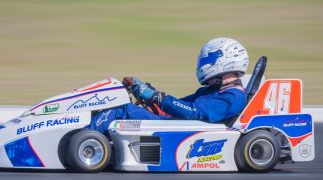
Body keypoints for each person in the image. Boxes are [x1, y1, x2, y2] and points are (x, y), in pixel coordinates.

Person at [90, 37, 249, 134]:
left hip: (180, 130)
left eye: (208, 60)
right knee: (115, 104)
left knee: (121, 110)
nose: (204, 64)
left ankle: (84, 137)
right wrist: (148, 94)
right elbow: (179, 105)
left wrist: (156, 97)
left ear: (224, 60)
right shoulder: (212, 90)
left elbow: (192, 112)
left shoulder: (233, 98)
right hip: (173, 123)